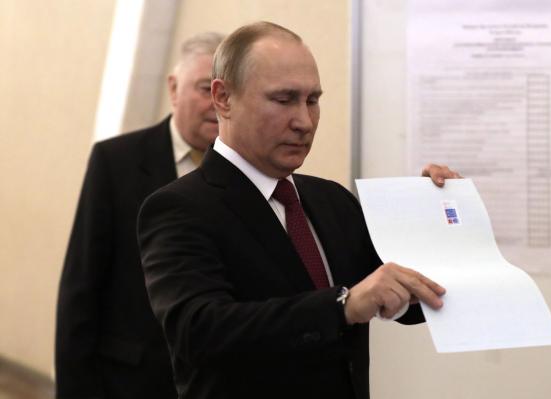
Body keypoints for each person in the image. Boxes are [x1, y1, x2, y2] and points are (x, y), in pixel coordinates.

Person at [137, 22, 459, 399]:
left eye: (312, 100)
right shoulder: (178, 208)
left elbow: (403, 300)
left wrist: (439, 224)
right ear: (223, 97)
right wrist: (343, 307)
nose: (304, 122)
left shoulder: (332, 201)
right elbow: (198, 331)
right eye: (283, 99)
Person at [55, 32, 224, 399]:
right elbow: (81, 287)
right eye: (201, 89)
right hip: (129, 380)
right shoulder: (117, 163)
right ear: (174, 88)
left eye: (222, 94)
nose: (214, 104)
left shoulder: (240, 173)